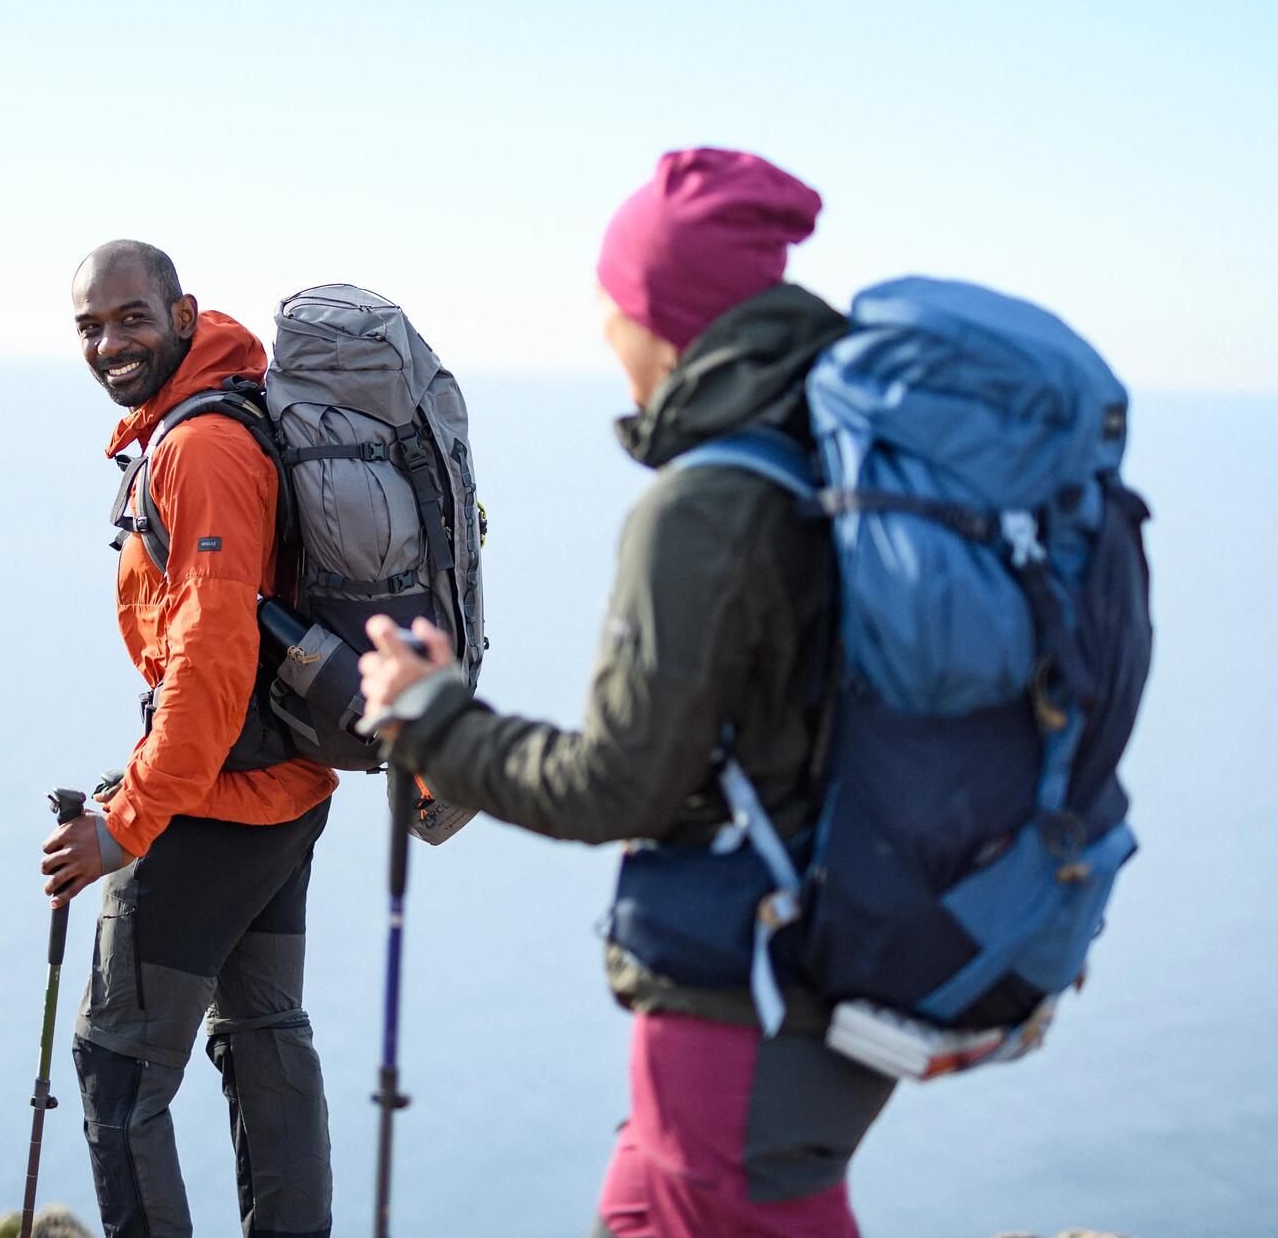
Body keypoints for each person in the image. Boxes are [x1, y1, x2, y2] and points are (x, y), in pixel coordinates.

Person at [359, 151, 896, 1238]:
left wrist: (435, 718)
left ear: (665, 314)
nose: (605, 332)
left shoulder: (708, 506)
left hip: (739, 994)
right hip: (812, 956)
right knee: (637, 1212)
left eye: (616, 303)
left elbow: (619, 787)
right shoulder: (820, 465)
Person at [40, 239, 337, 1238]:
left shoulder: (200, 447)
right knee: (264, 1036)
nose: (111, 343)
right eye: (91, 326)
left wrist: (124, 824)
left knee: (117, 1065)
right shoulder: (234, 411)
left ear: (182, 312)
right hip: (287, 786)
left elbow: (207, 666)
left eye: (131, 317)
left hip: (211, 801)